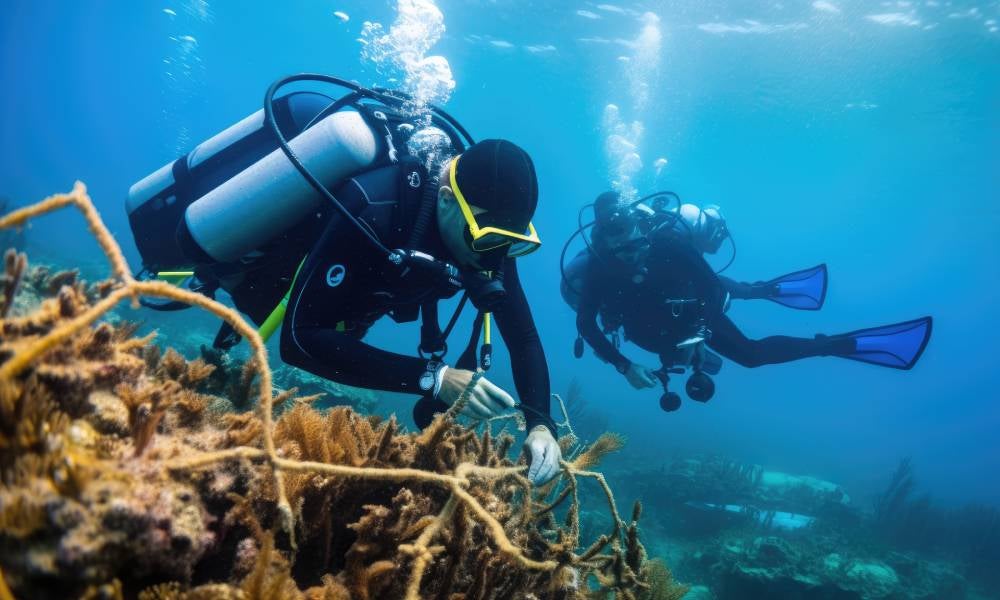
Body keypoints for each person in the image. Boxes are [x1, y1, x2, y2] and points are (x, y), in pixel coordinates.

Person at [125, 75, 561, 484]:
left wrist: (541, 424)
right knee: (267, 300)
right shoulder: (374, 206)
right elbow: (297, 340)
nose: (498, 258)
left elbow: (521, 334)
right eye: (488, 238)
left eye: (513, 241)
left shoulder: (487, 236)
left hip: (353, 301)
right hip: (277, 284)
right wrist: (433, 378)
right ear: (447, 200)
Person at [562, 190, 932, 409]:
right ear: (601, 237)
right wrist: (624, 366)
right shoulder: (598, 267)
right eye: (614, 239)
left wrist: (702, 330)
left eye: (628, 234)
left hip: (691, 311)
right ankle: (752, 295)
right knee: (676, 349)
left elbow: (712, 288)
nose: (626, 247)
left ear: (636, 223)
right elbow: (585, 323)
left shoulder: (667, 243)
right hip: (647, 329)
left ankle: (837, 343)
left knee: (751, 355)